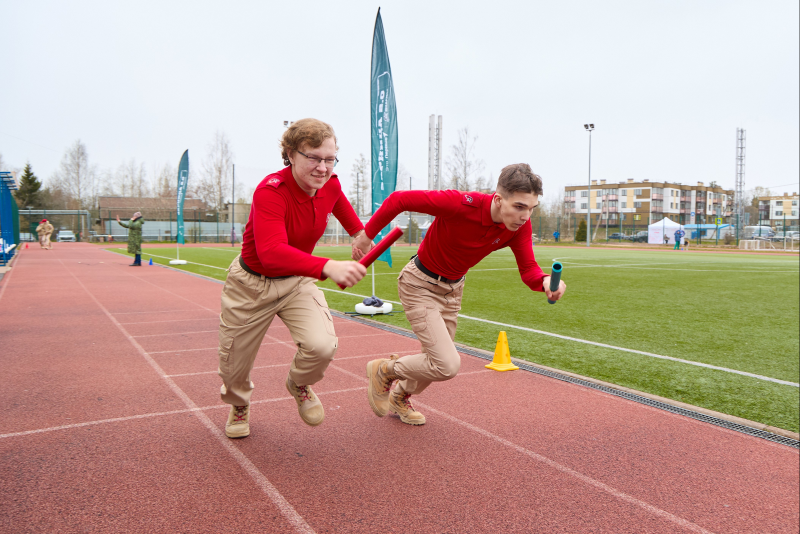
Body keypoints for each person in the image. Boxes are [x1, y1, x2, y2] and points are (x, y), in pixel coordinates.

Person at [355, 163, 567, 426]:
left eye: (532, 208)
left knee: (433, 363)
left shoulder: (519, 226)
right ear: (498, 200)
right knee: (446, 365)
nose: (526, 216)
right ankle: (384, 370)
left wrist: (545, 281)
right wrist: (366, 236)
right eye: (519, 207)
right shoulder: (460, 204)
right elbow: (399, 200)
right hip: (419, 284)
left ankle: (400, 396)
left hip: (453, 291)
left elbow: (528, 269)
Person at [217, 118, 369, 439]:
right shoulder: (270, 191)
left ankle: (299, 383)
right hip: (251, 284)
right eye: (313, 157)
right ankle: (239, 403)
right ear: (290, 154)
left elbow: (340, 204)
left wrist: (359, 234)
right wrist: (328, 266)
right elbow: (271, 252)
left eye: (330, 159)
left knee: (322, 346)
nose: (322, 168)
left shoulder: (330, 184)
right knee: (234, 364)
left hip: (296, 280)